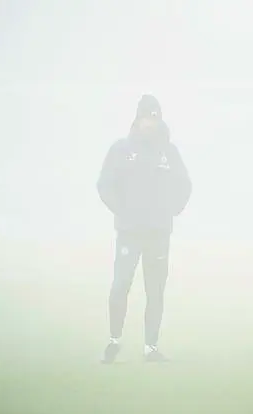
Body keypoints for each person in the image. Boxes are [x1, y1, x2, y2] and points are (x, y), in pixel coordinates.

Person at [97, 94, 192, 363]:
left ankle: (151, 347)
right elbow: (104, 185)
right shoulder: (121, 150)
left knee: (155, 290)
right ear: (136, 119)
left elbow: (185, 185)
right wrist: (122, 209)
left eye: (154, 118)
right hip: (129, 231)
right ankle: (114, 340)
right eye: (144, 118)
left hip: (159, 233)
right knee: (120, 286)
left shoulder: (168, 152)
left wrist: (171, 210)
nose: (149, 124)